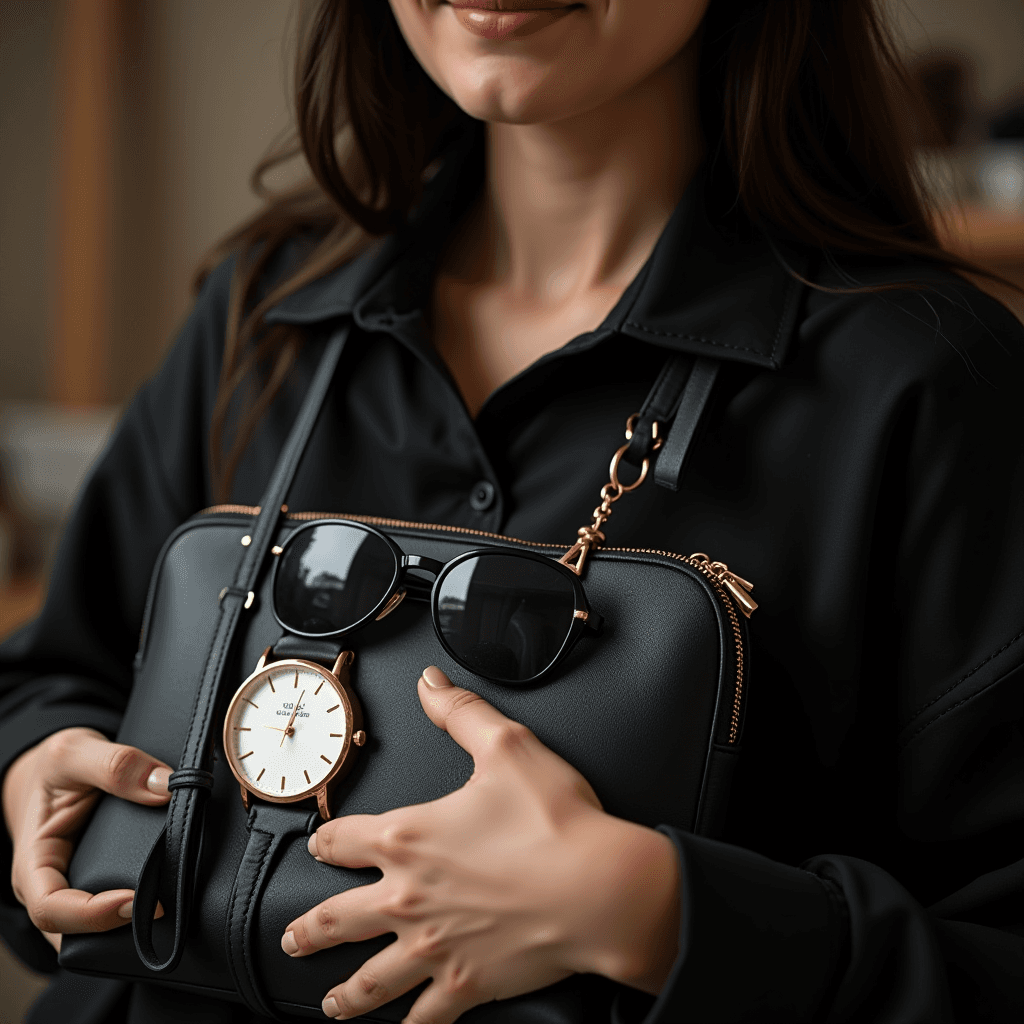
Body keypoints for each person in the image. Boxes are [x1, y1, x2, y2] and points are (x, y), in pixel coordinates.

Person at [2, 1, 1022, 1021]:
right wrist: (34, 770)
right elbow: (57, 679)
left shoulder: (929, 385)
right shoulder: (260, 308)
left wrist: (663, 916)